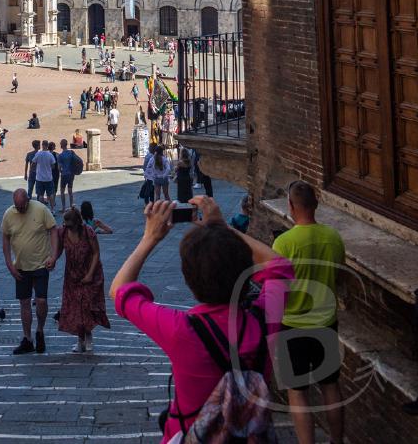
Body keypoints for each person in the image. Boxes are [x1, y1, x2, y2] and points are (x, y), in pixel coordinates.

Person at [110, 197, 293, 441]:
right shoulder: (262, 320)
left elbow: (119, 291)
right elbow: (280, 267)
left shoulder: (181, 330)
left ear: (187, 278)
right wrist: (222, 228)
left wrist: (150, 237)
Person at [273, 181, 346, 444]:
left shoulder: (283, 243)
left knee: (298, 392)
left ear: (291, 206)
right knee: (330, 385)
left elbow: (277, 290)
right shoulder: (333, 238)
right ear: (316, 204)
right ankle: (336, 441)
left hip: (293, 326)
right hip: (326, 322)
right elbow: (339, 276)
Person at [1, 188, 59, 355]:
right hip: (20, 266)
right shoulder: (9, 215)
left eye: (22, 206)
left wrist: (53, 256)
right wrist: (9, 264)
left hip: (41, 264)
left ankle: (40, 330)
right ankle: (27, 338)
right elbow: (5, 238)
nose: (19, 210)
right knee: (24, 302)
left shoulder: (41, 209)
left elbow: (53, 229)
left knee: (41, 300)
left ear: (27, 200)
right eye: (17, 207)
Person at [56, 207, 110, 353]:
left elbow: (96, 253)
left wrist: (90, 274)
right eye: (65, 224)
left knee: (86, 306)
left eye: (69, 224)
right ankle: (80, 340)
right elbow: (59, 250)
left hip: (90, 273)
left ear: (77, 223)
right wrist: (52, 259)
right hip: (72, 275)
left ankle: (88, 336)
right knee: (75, 308)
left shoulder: (88, 232)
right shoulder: (63, 232)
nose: (66, 227)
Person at [31, 141, 57, 210]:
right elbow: (53, 166)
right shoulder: (50, 155)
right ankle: (52, 210)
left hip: (39, 178)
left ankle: (41, 210)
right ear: (47, 145)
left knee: (40, 195)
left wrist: (33, 169)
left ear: (42, 145)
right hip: (48, 178)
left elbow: (33, 163)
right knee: (50, 194)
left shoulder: (38, 154)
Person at [56, 139, 78, 212]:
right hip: (71, 174)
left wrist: (61, 171)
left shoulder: (60, 156)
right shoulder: (71, 152)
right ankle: (71, 206)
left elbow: (59, 168)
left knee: (62, 191)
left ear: (61, 145)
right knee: (70, 190)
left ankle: (63, 207)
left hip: (64, 175)